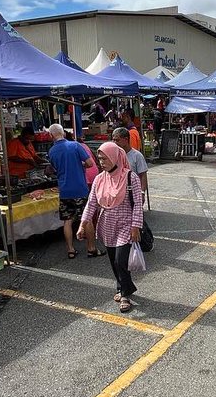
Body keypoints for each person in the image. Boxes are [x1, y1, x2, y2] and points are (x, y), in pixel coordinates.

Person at [78, 142, 144, 314]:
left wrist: (136, 226)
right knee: (113, 260)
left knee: (120, 260)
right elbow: (91, 203)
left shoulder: (131, 177)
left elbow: (137, 204)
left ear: (115, 157)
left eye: (105, 158)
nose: (101, 162)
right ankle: (121, 286)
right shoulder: (100, 179)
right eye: (99, 158)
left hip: (125, 224)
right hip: (106, 225)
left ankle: (125, 294)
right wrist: (83, 225)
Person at [47, 123, 99, 259]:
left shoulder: (51, 151)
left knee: (67, 220)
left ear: (51, 135)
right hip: (80, 188)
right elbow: (90, 163)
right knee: (86, 218)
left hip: (64, 190)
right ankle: (91, 248)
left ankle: (70, 249)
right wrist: (79, 164)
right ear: (63, 133)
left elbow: (54, 169)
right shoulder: (75, 145)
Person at [113, 126, 149, 196]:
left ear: (126, 140)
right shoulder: (113, 155)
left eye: (117, 140)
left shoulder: (137, 156)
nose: (114, 143)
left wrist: (142, 192)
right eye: (113, 140)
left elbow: (143, 175)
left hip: (133, 192)